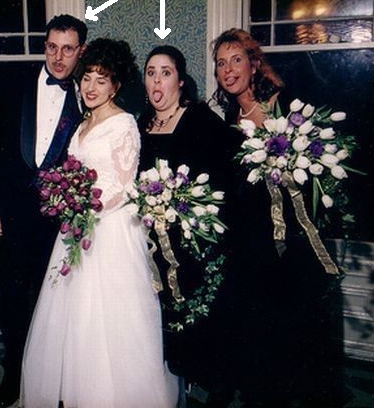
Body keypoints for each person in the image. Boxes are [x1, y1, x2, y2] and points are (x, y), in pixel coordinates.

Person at [20, 38, 178, 408]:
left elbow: (123, 187)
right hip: (78, 227)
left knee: (111, 325)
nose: (90, 86)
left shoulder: (124, 124)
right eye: (87, 77)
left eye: (101, 80)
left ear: (116, 85)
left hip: (110, 232)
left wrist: (81, 206)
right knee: (75, 323)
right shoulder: (81, 124)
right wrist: (69, 202)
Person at [212, 28, 344, 407]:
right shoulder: (228, 120)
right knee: (256, 333)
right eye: (221, 63)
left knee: (291, 333)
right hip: (248, 242)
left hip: (288, 244)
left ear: (254, 65)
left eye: (236, 59)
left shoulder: (284, 108)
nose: (228, 69)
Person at [0, 14, 87, 407]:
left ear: (80, 52)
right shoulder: (11, 84)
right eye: (52, 47)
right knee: (11, 298)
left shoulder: (84, 97)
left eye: (68, 49)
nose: (59, 58)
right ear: (44, 46)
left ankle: (46, 374)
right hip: (8, 213)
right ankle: (14, 370)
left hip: (55, 221)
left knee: (49, 300)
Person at [137, 45, 235, 406]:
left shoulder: (200, 119)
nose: (157, 79)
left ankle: (211, 384)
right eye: (150, 72)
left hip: (193, 240)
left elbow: (223, 180)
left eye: (165, 72)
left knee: (201, 312)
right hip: (152, 239)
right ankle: (178, 378)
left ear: (180, 79)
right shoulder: (140, 124)